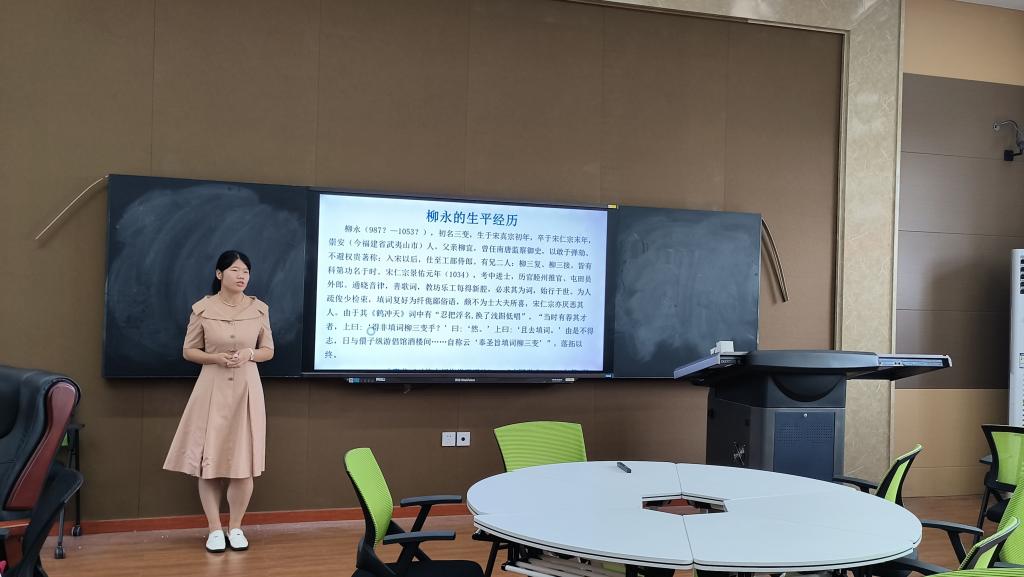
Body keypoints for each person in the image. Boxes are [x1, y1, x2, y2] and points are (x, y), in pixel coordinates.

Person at [163, 250, 274, 553]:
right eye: (235, 270)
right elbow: (189, 350)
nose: (242, 276)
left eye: (246, 271)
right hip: (211, 388)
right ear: (219, 274)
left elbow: (268, 350)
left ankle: (235, 527)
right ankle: (214, 529)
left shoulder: (259, 309)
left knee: (244, 463)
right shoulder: (202, 309)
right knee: (208, 462)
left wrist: (249, 354)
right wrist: (216, 358)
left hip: (247, 389)